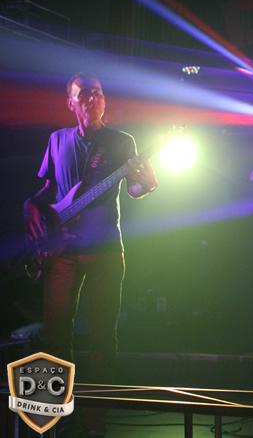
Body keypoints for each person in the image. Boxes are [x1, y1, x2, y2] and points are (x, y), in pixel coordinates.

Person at [23, 72, 157, 435]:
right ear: (71, 103)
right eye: (84, 94)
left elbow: (134, 189)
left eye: (98, 93)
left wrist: (147, 184)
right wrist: (30, 204)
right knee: (54, 336)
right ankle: (53, 421)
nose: (93, 98)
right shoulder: (57, 140)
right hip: (62, 250)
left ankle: (96, 422)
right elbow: (49, 190)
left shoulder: (122, 142)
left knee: (103, 338)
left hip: (105, 250)